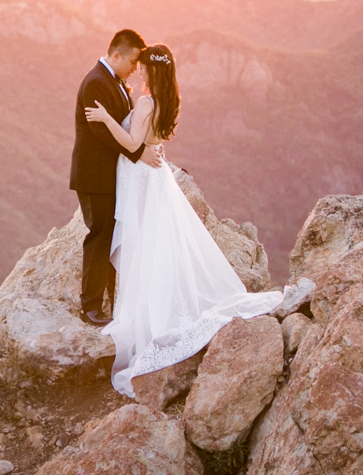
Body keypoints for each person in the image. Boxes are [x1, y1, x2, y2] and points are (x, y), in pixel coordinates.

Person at [83, 43, 282, 396]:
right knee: (154, 243)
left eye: (142, 67)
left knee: (142, 245)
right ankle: (157, 302)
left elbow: (131, 142)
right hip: (154, 179)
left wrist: (106, 119)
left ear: (150, 71)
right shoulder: (164, 102)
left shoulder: (144, 103)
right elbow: (148, 142)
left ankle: (147, 315)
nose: (138, 71)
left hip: (140, 180)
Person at [69, 30, 151, 324]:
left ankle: (115, 302)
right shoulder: (95, 83)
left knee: (112, 236)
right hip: (95, 177)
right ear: (116, 55)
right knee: (99, 236)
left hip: (111, 176)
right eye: (131, 61)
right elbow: (101, 132)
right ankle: (89, 306)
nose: (134, 69)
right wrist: (138, 152)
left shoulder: (116, 82)